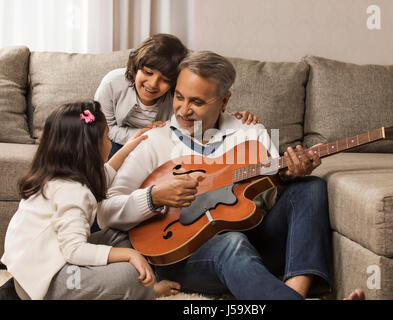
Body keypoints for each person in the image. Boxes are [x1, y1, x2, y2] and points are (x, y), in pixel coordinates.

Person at [98, 51, 365, 300]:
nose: (183, 110)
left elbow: (272, 203)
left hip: (254, 242)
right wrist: (153, 197)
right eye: (179, 97)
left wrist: (287, 177)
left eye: (197, 102)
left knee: (310, 186)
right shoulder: (154, 140)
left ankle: (294, 290)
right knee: (231, 243)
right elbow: (105, 211)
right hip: (183, 256)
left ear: (225, 100)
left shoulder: (251, 132)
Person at [0, 101, 180, 300]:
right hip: (45, 282)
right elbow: (74, 250)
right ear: (91, 149)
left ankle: (137, 288)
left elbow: (106, 174)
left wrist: (128, 148)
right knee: (129, 276)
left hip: (45, 259)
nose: (110, 142)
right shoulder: (72, 191)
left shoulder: (59, 175)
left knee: (121, 236)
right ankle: (146, 293)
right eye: (106, 136)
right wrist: (130, 255)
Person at [95, 33, 259, 160]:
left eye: (165, 80)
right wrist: (144, 134)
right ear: (136, 67)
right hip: (112, 142)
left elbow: (201, 115)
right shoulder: (113, 83)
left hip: (154, 148)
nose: (152, 84)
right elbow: (103, 129)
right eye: (148, 72)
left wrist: (236, 118)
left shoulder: (177, 99)